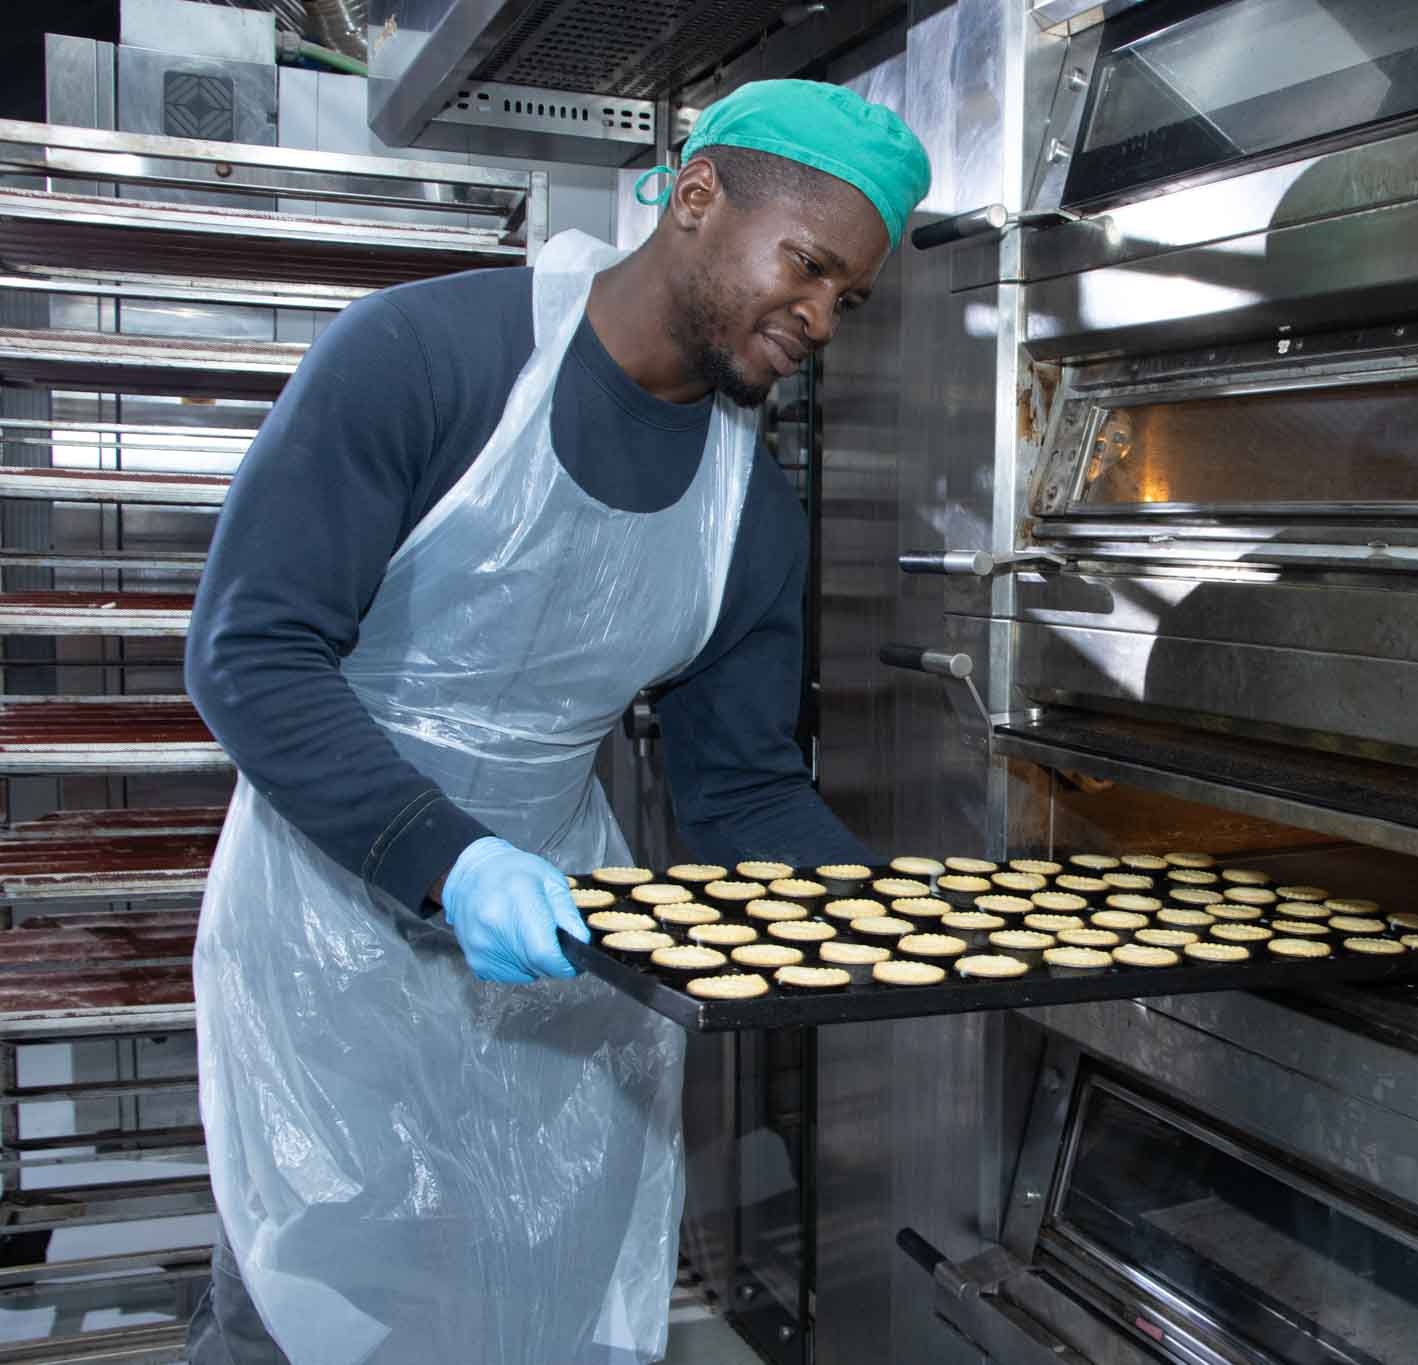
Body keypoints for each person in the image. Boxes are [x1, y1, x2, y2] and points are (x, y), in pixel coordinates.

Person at [180, 80, 930, 1364]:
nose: (818, 319)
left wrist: (893, 917)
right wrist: (452, 860)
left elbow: (740, 787)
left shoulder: (747, 510)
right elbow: (252, 653)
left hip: (559, 947)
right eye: (807, 267)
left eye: (847, 299)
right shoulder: (424, 359)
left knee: (538, 1287)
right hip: (333, 922)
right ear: (696, 196)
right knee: (312, 1300)